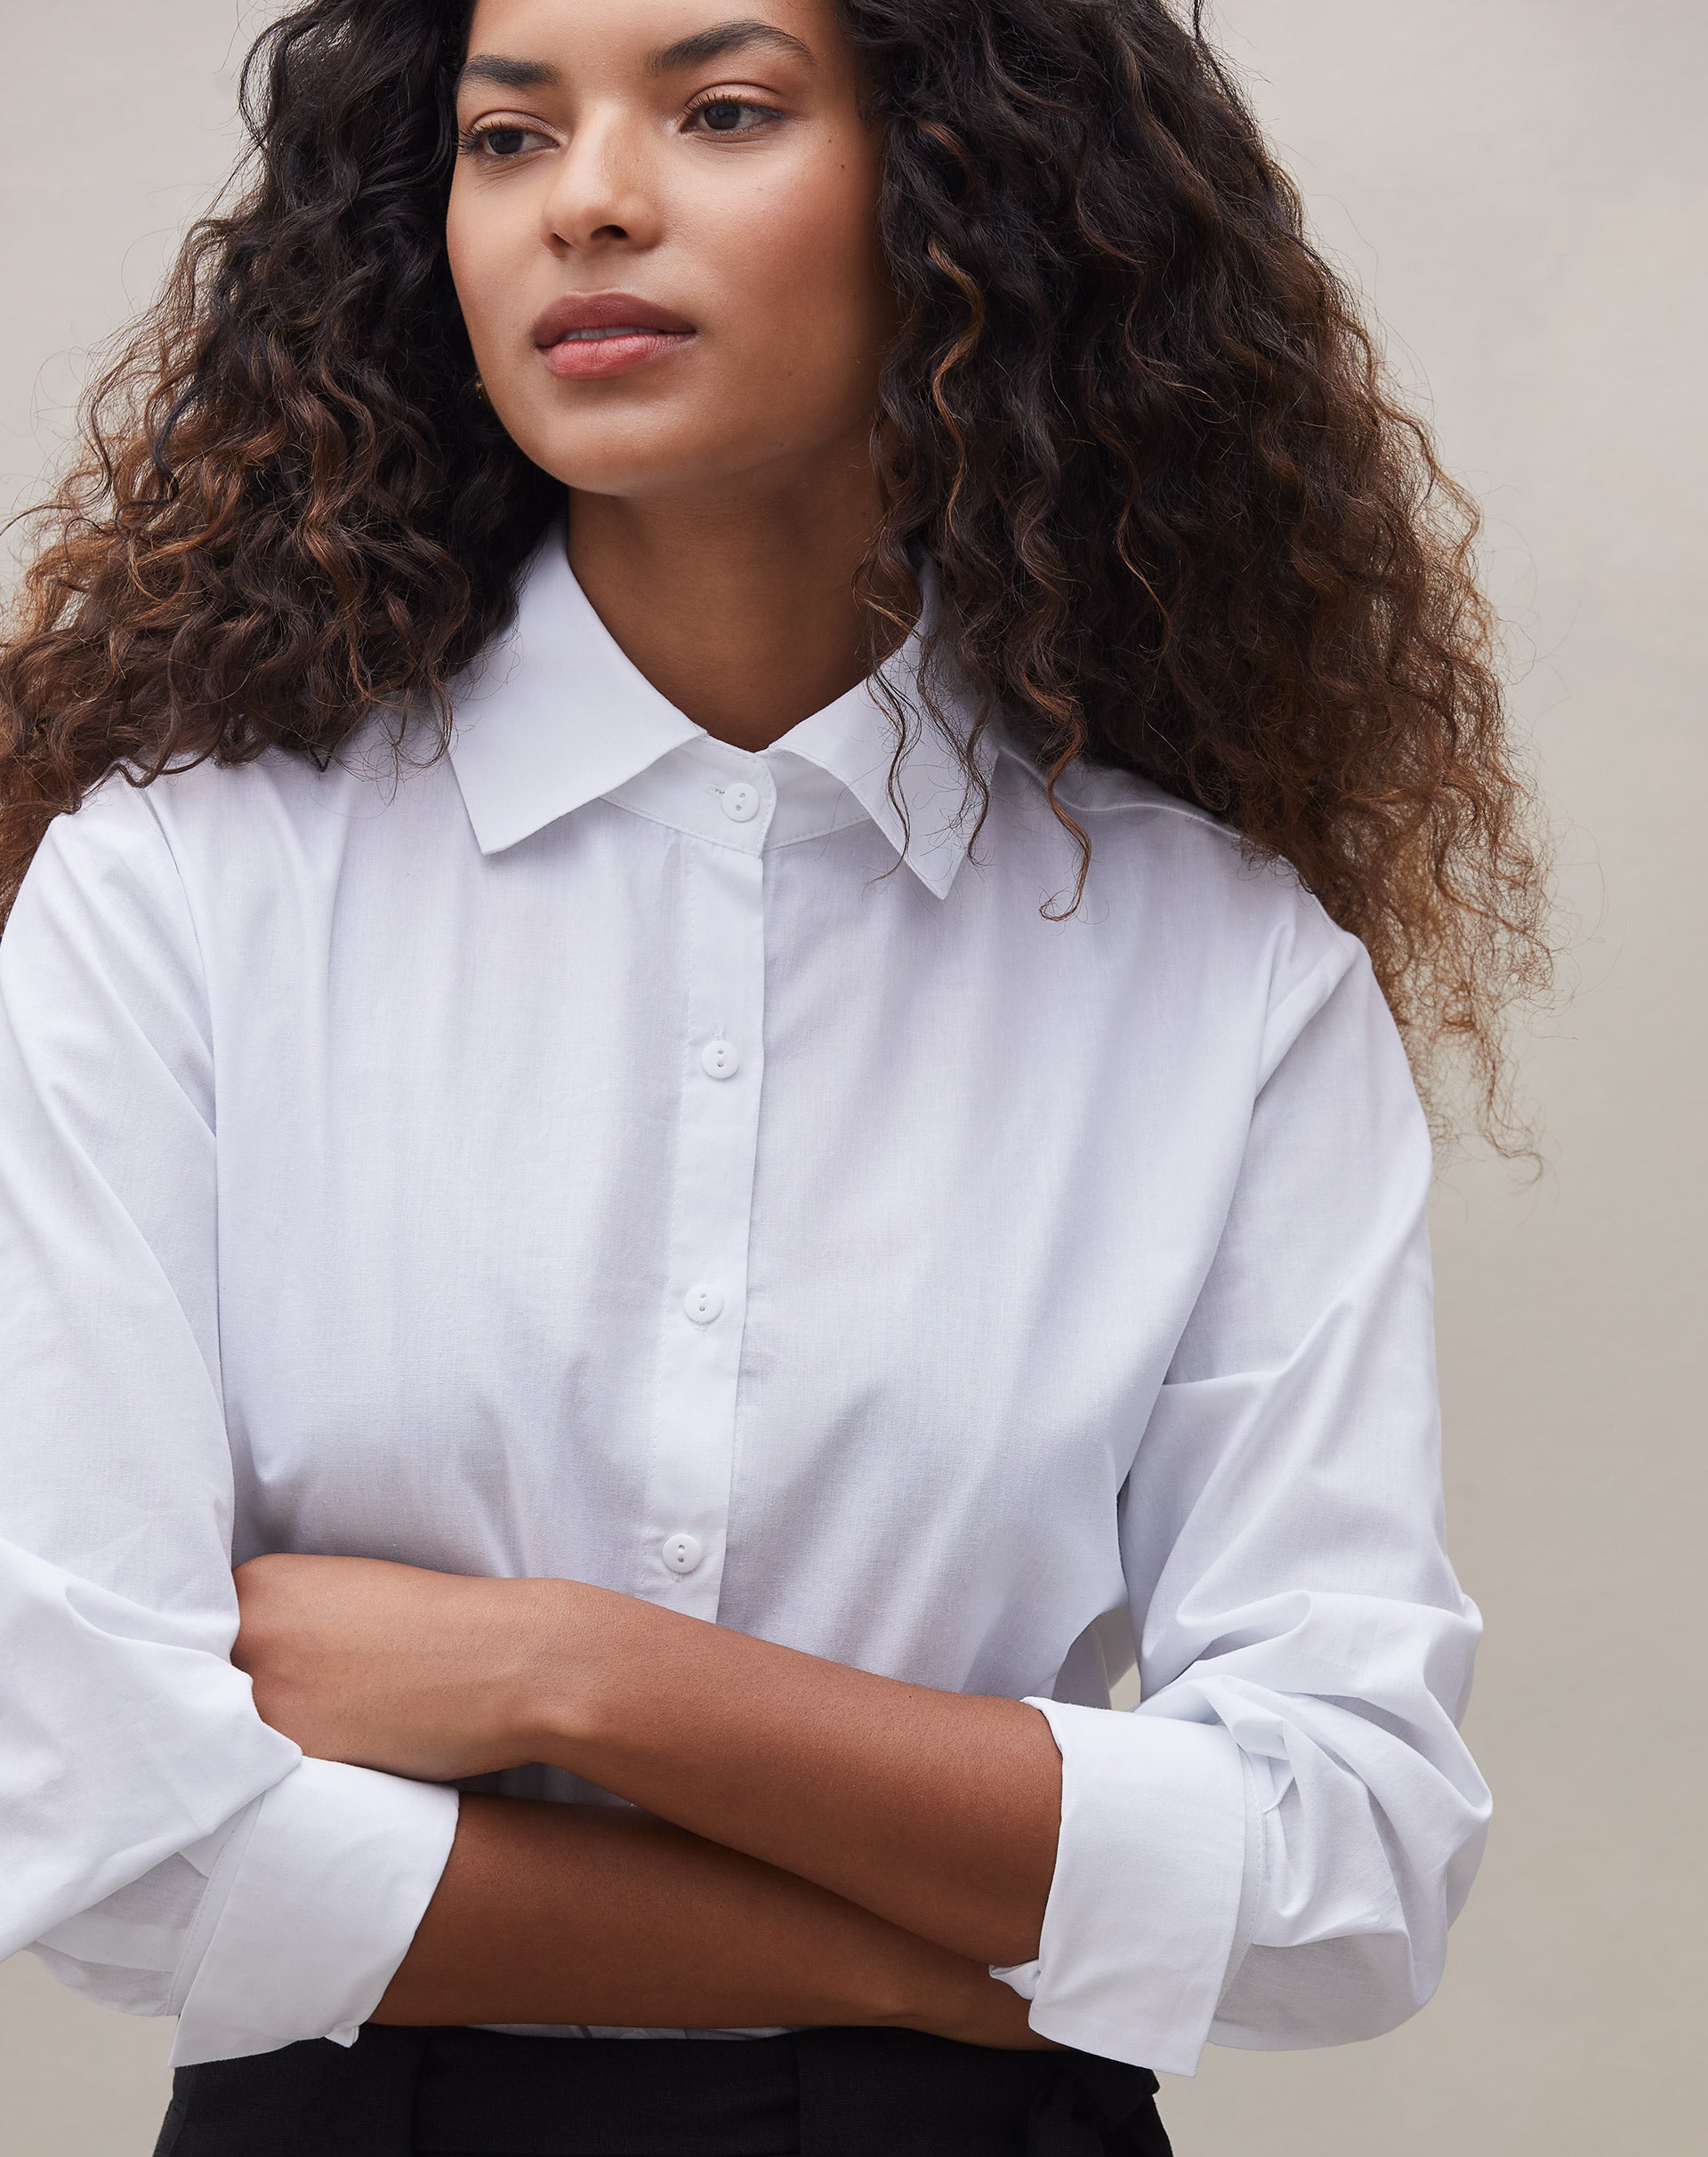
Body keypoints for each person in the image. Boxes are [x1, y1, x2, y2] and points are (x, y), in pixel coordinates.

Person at [0, 2, 1550, 2152]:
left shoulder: (1225, 970)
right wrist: (979, 1960)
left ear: (967, 195)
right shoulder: (177, 892)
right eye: (508, 136)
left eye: (722, 112)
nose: (593, 200)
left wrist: (579, 1676)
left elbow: (1346, 1866)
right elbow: (110, 1831)